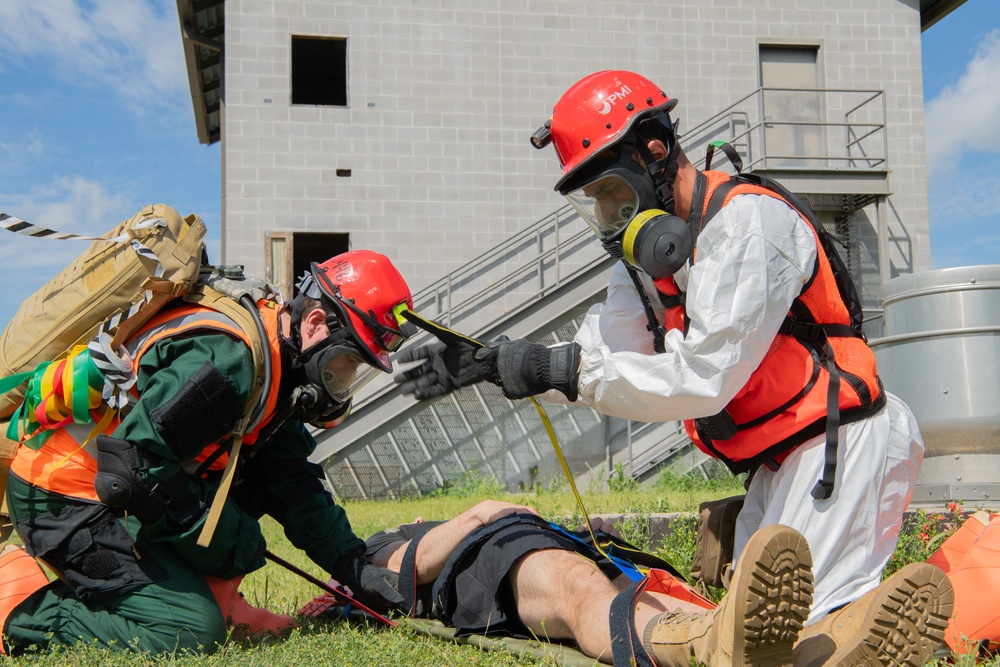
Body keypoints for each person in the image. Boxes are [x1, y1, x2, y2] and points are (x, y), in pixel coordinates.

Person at [394, 70, 954, 666]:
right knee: (746, 635)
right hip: (775, 464)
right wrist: (491, 363)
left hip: (842, 446)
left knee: (790, 640)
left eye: (611, 190)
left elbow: (704, 378)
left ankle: (909, 634)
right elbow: (599, 360)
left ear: (655, 150)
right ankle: (867, 634)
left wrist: (557, 369)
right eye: (595, 203)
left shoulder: (748, 225)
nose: (608, 214)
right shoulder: (641, 270)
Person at [0, 250, 411, 655]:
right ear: (316, 322)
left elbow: (290, 480)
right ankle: (16, 607)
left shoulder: (278, 364)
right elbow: (129, 468)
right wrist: (230, 541)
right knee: (189, 630)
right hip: (62, 496)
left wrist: (351, 566)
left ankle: (199, 591)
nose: (342, 381)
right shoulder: (231, 362)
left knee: (243, 499)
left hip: (100, 488)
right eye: (346, 363)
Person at [303, 499, 816, 667]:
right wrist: (477, 515)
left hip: (535, 537)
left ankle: (810, 650)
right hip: (489, 556)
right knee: (580, 590)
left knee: (645, 595)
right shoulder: (372, 548)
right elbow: (402, 575)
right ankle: (712, 649)